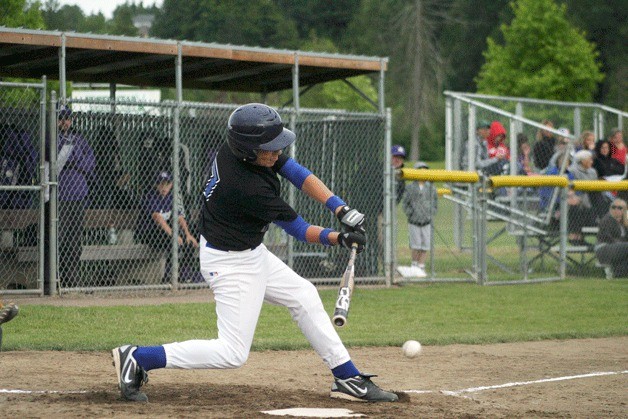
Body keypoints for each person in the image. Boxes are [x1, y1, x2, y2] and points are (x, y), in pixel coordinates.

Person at [112, 103, 398, 403]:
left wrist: (340, 208)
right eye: (269, 149)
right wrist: (339, 237)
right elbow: (299, 229)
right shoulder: (246, 187)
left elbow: (296, 172)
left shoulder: (240, 150)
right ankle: (139, 357)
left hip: (248, 250)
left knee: (304, 296)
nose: (276, 153)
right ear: (249, 150)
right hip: (230, 263)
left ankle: (346, 377)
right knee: (232, 353)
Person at [55, 104, 95, 288]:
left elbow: (90, 163)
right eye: (61, 118)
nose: (65, 122)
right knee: (61, 237)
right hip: (61, 195)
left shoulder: (79, 138)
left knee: (74, 239)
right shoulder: (52, 138)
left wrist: (74, 159)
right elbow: (58, 162)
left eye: (67, 118)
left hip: (78, 194)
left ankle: (72, 276)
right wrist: (76, 159)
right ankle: (58, 276)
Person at [134, 171, 201, 283]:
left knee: (188, 241)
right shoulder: (151, 196)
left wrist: (188, 234)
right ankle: (168, 275)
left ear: (171, 185)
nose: (164, 187)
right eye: (161, 184)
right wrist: (174, 235)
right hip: (148, 233)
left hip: (164, 232)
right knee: (172, 241)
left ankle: (184, 274)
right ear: (156, 184)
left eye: (167, 184)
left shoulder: (171, 197)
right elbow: (158, 218)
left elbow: (179, 217)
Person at [401, 161, 437, 277]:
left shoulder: (431, 187)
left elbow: (435, 203)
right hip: (414, 221)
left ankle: (421, 265)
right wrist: (410, 213)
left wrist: (430, 214)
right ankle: (414, 264)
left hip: (426, 220)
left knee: (425, 244)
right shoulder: (410, 187)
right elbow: (405, 203)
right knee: (415, 244)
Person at [568, 150, 599, 243]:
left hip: (591, 199)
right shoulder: (572, 170)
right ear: (582, 161)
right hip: (578, 199)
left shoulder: (593, 172)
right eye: (589, 160)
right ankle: (576, 238)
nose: (591, 162)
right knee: (577, 206)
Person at [595, 198, 628, 277]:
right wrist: (621, 243)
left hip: (619, 248)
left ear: (624, 210)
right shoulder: (607, 219)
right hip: (603, 248)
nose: (616, 209)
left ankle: (616, 273)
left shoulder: (624, 222)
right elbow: (607, 237)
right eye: (613, 207)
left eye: (619, 208)